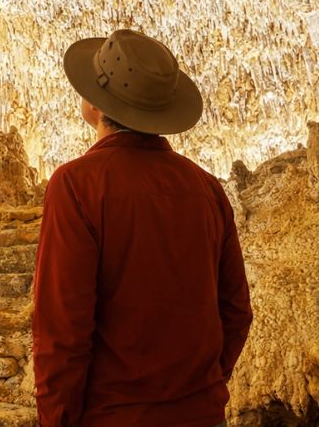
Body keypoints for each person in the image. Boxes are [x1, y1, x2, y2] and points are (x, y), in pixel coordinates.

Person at [33, 29, 253, 427]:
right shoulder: (206, 188)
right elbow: (236, 311)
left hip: (114, 416)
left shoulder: (76, 185)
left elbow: (63, 328)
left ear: (95, 105)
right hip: (201, 414)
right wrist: (202, 387)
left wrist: (57, 419)